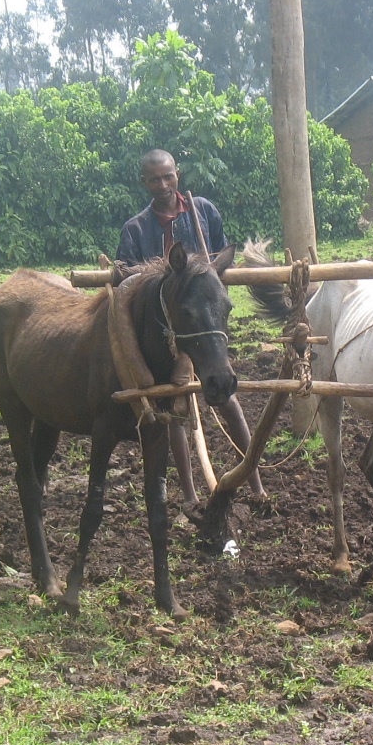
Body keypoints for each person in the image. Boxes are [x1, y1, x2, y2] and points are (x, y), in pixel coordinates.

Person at [117, 149, 266, 504]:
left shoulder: (203, 211)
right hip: (164, 333)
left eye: (168, 176)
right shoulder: (135, 229)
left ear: (177, 175)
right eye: (155, 179)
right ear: (145, 183)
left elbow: (216, 268)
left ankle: (257, 484)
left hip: (204, 325)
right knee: (175, 406)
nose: (163, 184)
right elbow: (127, 276)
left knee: (227, 396)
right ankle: (189, 497)